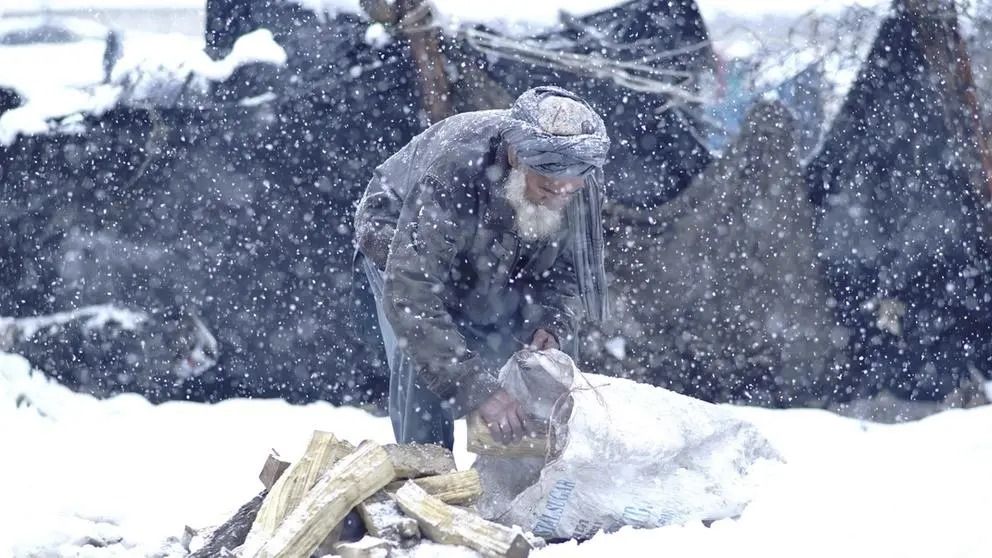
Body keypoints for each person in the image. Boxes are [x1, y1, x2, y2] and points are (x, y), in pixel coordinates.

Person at [354, 86, 610, 449]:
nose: (560, 198)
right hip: (400, 234)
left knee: (550, 354)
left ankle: (535, 479)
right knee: (424, 351)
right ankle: (425, 477)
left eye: (569, 192)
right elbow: (412, 297)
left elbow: (572, 271)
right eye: (548, 188)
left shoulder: (580, 172)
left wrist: (554, 322)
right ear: (517, 157)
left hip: (499, 250)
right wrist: (476, 389)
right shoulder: (455, 171)